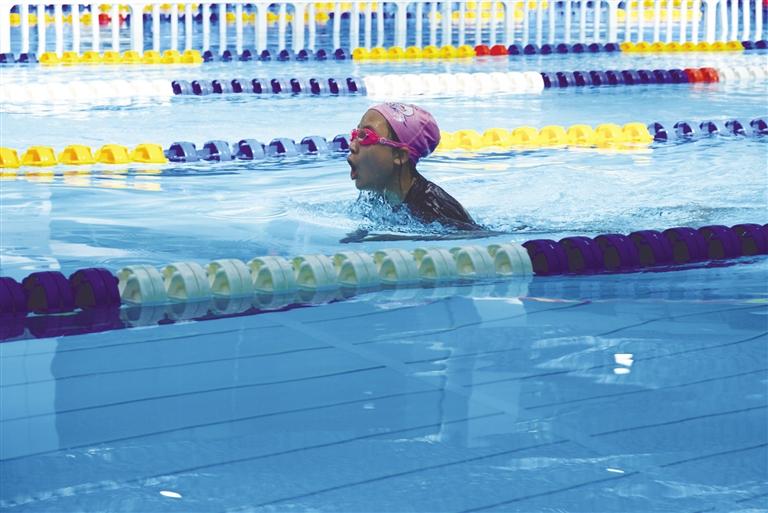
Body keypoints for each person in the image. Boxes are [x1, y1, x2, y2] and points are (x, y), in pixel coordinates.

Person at [347, 102, 482, 231]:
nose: (352, 146)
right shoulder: (379, 196)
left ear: (400, 155)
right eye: (355, 134)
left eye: (365, 136)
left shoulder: (434, 210)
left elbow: (476, 238)